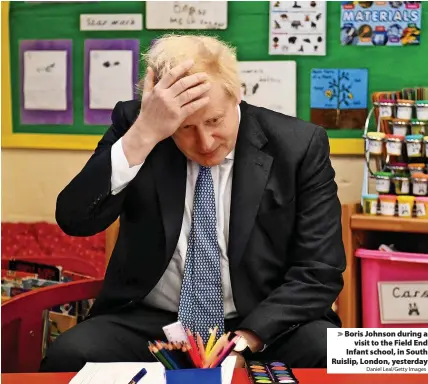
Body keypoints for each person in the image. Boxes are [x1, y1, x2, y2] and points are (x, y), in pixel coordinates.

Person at [40, 34, 345, 372]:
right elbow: (75, 218)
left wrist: (244, 340)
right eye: (185, 127)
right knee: (68, 356)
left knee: (329, 351)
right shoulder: (141, 127)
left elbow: (320, 271)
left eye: (214, 120)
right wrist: (145, 134)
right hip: (156, 323)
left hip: (262, 322)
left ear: (236, 95)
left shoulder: (298, 146)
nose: (204, 141)